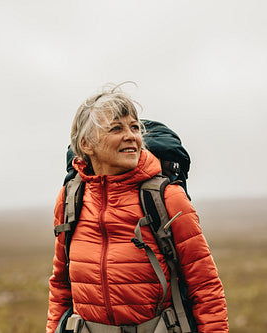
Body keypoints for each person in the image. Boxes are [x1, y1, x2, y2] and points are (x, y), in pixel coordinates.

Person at [46, 83, 228, 332]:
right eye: (116, 128)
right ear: (87, 144)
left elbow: (204, 286)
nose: (131, 136)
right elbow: (61, 286)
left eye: (134, 127)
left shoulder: (166, 197)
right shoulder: (71, 198)